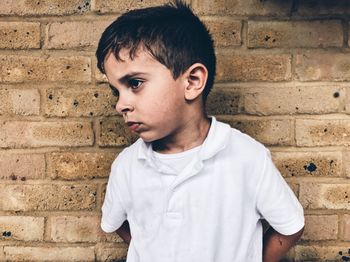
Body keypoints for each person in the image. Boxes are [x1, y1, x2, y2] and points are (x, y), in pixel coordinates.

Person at [96, 1, 304, 261]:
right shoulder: (127, 166)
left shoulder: (247, 158)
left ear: (192, 82)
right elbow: (115, 222)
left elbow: (290, 226)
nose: (120, 104)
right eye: (117, 91)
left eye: (135, 83)